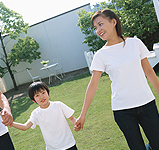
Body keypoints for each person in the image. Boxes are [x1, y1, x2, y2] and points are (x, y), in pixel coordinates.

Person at [75, 9, 159, 149]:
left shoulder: (135, 43)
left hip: (147, 104)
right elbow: (93, 85)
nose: (98, 30)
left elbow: (149, 71)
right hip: (123, 111)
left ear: (113, 22)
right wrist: (82, 115)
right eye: (95, 27)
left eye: (101, 24)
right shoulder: (101, 55)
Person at [11, 81, 79, 150]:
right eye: (37, 95)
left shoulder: (59, 105)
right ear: (33, 100)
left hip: (69, 144)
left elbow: (72, 118)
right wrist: (10, 123)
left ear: (48, 93)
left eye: (43, 92)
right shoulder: (36, 113)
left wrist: (76, 124)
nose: (41, 97)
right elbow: (25, 127)